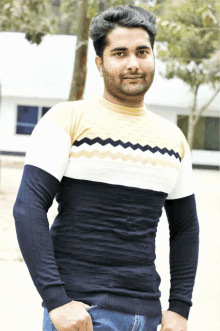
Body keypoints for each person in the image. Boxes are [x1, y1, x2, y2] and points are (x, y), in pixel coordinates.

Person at [13, 5, 199, 331]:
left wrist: (180, 308)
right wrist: (57, 300)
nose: (133, 64)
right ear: (100, 64)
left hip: (149, 316)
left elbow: (186, 229)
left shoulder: (174, 138)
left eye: (143, 52)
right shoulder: (66, 120)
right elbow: (28, 208)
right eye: (119, 53)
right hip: (83, 315)